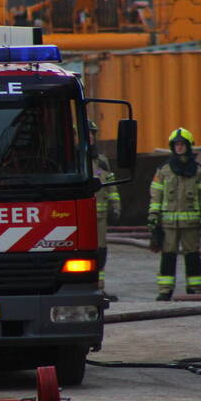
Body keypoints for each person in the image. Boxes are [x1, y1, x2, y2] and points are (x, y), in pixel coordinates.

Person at [148, 128, 201, 301]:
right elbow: (156, 195)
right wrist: (153, 216)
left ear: (188, 146)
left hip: (191, 224)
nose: (179, 147)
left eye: (182, 144)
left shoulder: (199, 171)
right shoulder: (164, 170)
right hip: (168, 224)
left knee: (192, 256)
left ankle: (194, 289)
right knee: (168, 256)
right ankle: (165, 290)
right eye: (176, 144)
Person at [89, 122, 120, 300]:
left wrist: (115, 208)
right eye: (87, 133)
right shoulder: (72, 160)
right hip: (80, 218)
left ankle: (99, 289)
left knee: (100, 253)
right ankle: (86, 286)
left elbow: (111, 186)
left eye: (92, 134)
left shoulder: (101, 161)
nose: (90, 137)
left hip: (99, 217)